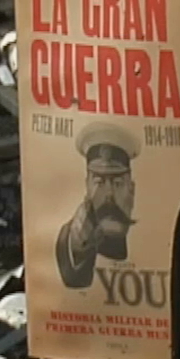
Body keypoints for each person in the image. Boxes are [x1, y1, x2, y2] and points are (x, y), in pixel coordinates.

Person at [56, 124, 139, 290]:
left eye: (117, 183)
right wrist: (78, 247)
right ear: (87, 186)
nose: (108, 193)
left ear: (132, 189)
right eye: (99, 182)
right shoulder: (74, 234)